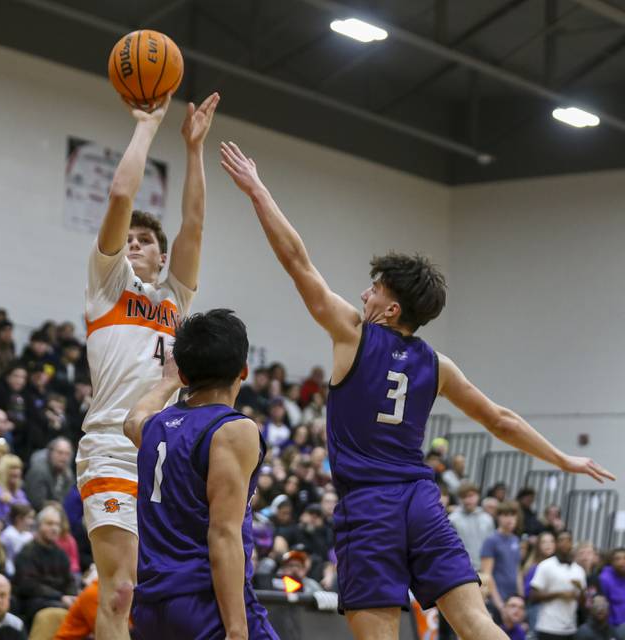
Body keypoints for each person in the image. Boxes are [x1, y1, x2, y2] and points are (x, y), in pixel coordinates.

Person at [220, 139, 615, 640]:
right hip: (421, 500)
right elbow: (501, 420)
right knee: (476, 622)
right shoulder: (438, 365)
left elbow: (297, 260)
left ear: (390, 309)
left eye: (375, 288)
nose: (364, 293)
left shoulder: (353, 334)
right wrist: (564, 459)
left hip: (368, 506)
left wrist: (257, 190)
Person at [78, 91, 219, 640]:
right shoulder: (107, 283)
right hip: (113, 443)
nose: (134, 244)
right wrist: (148, 125)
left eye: (146, 241)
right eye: (129, 239)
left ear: (162, 257)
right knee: (120, 589)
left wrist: (194, 148)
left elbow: (195, 222)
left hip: (166, 455)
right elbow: (120, 194)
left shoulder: (175, 301)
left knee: (158, 590)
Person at [124, 309, 278, 639]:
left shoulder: (155, 427)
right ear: (244, 370)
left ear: (182, 373)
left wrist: (166, 382)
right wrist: (237, 629)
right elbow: (223, 535)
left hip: (151, 608)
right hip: (204, 602)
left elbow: (132, 419)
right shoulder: (233, 430)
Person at [13, 505, 77, 639]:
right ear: (39, 526)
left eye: (57, 525)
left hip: (60, 599)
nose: (54, 528)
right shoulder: (27, 553)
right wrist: (60, 597)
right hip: (34, 602)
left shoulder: (61, 554)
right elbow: (28, 585)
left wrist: (72, 596)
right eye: (49, 524)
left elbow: (69, 580)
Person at [530, 530, 587, 640]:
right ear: (556, 543)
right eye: (561, 540)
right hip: (548, 627)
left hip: (570, 628)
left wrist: (581, 590)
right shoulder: (546, 566)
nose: (565, 543)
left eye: (568, 540)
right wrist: (559, 594)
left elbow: (583, 603)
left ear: (572, 543)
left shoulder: (579, 570)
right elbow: (533, 596)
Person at [481, 501, 524, 613]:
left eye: (513, 515)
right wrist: (499, 604)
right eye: (505, 515)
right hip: (497, 600)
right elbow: (487, 575)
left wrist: (521, 596)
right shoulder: (491, 540)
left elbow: (517, 570)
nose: (510, 519)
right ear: (498, 517)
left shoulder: (515, 540)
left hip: (513, 600)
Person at [449, 482, 495, 571]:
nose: (467, 500)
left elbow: (491, 546)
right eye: (463, 497)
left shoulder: (487, 519)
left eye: (470, 496)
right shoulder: (452, 519)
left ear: (478, 496)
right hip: (460, 569)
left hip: (484, 569)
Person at [23, 436, 73, 511]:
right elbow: (37, 503)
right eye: (60, 453)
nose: (63, 457)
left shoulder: (68, 475)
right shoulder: (39, 471)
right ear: (50, 453)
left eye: (67, 454)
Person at [0, 454, 30, 523]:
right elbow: (0, 517)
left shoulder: (20, 492)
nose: (16, 471)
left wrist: (11, 501)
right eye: (12, 468)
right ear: (3, 471)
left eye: (18, 468)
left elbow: (27, 511)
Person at [0, 504, 34, 575]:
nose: (32, 522)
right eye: (29, 518)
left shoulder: (29, 535)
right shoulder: (8, 534)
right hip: (10, 569)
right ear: (19, 518)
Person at [599, 548, 625, 628]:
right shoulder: (604, 579)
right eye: (617, 559)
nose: (622, 562)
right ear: (611, 562)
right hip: (613, 625)